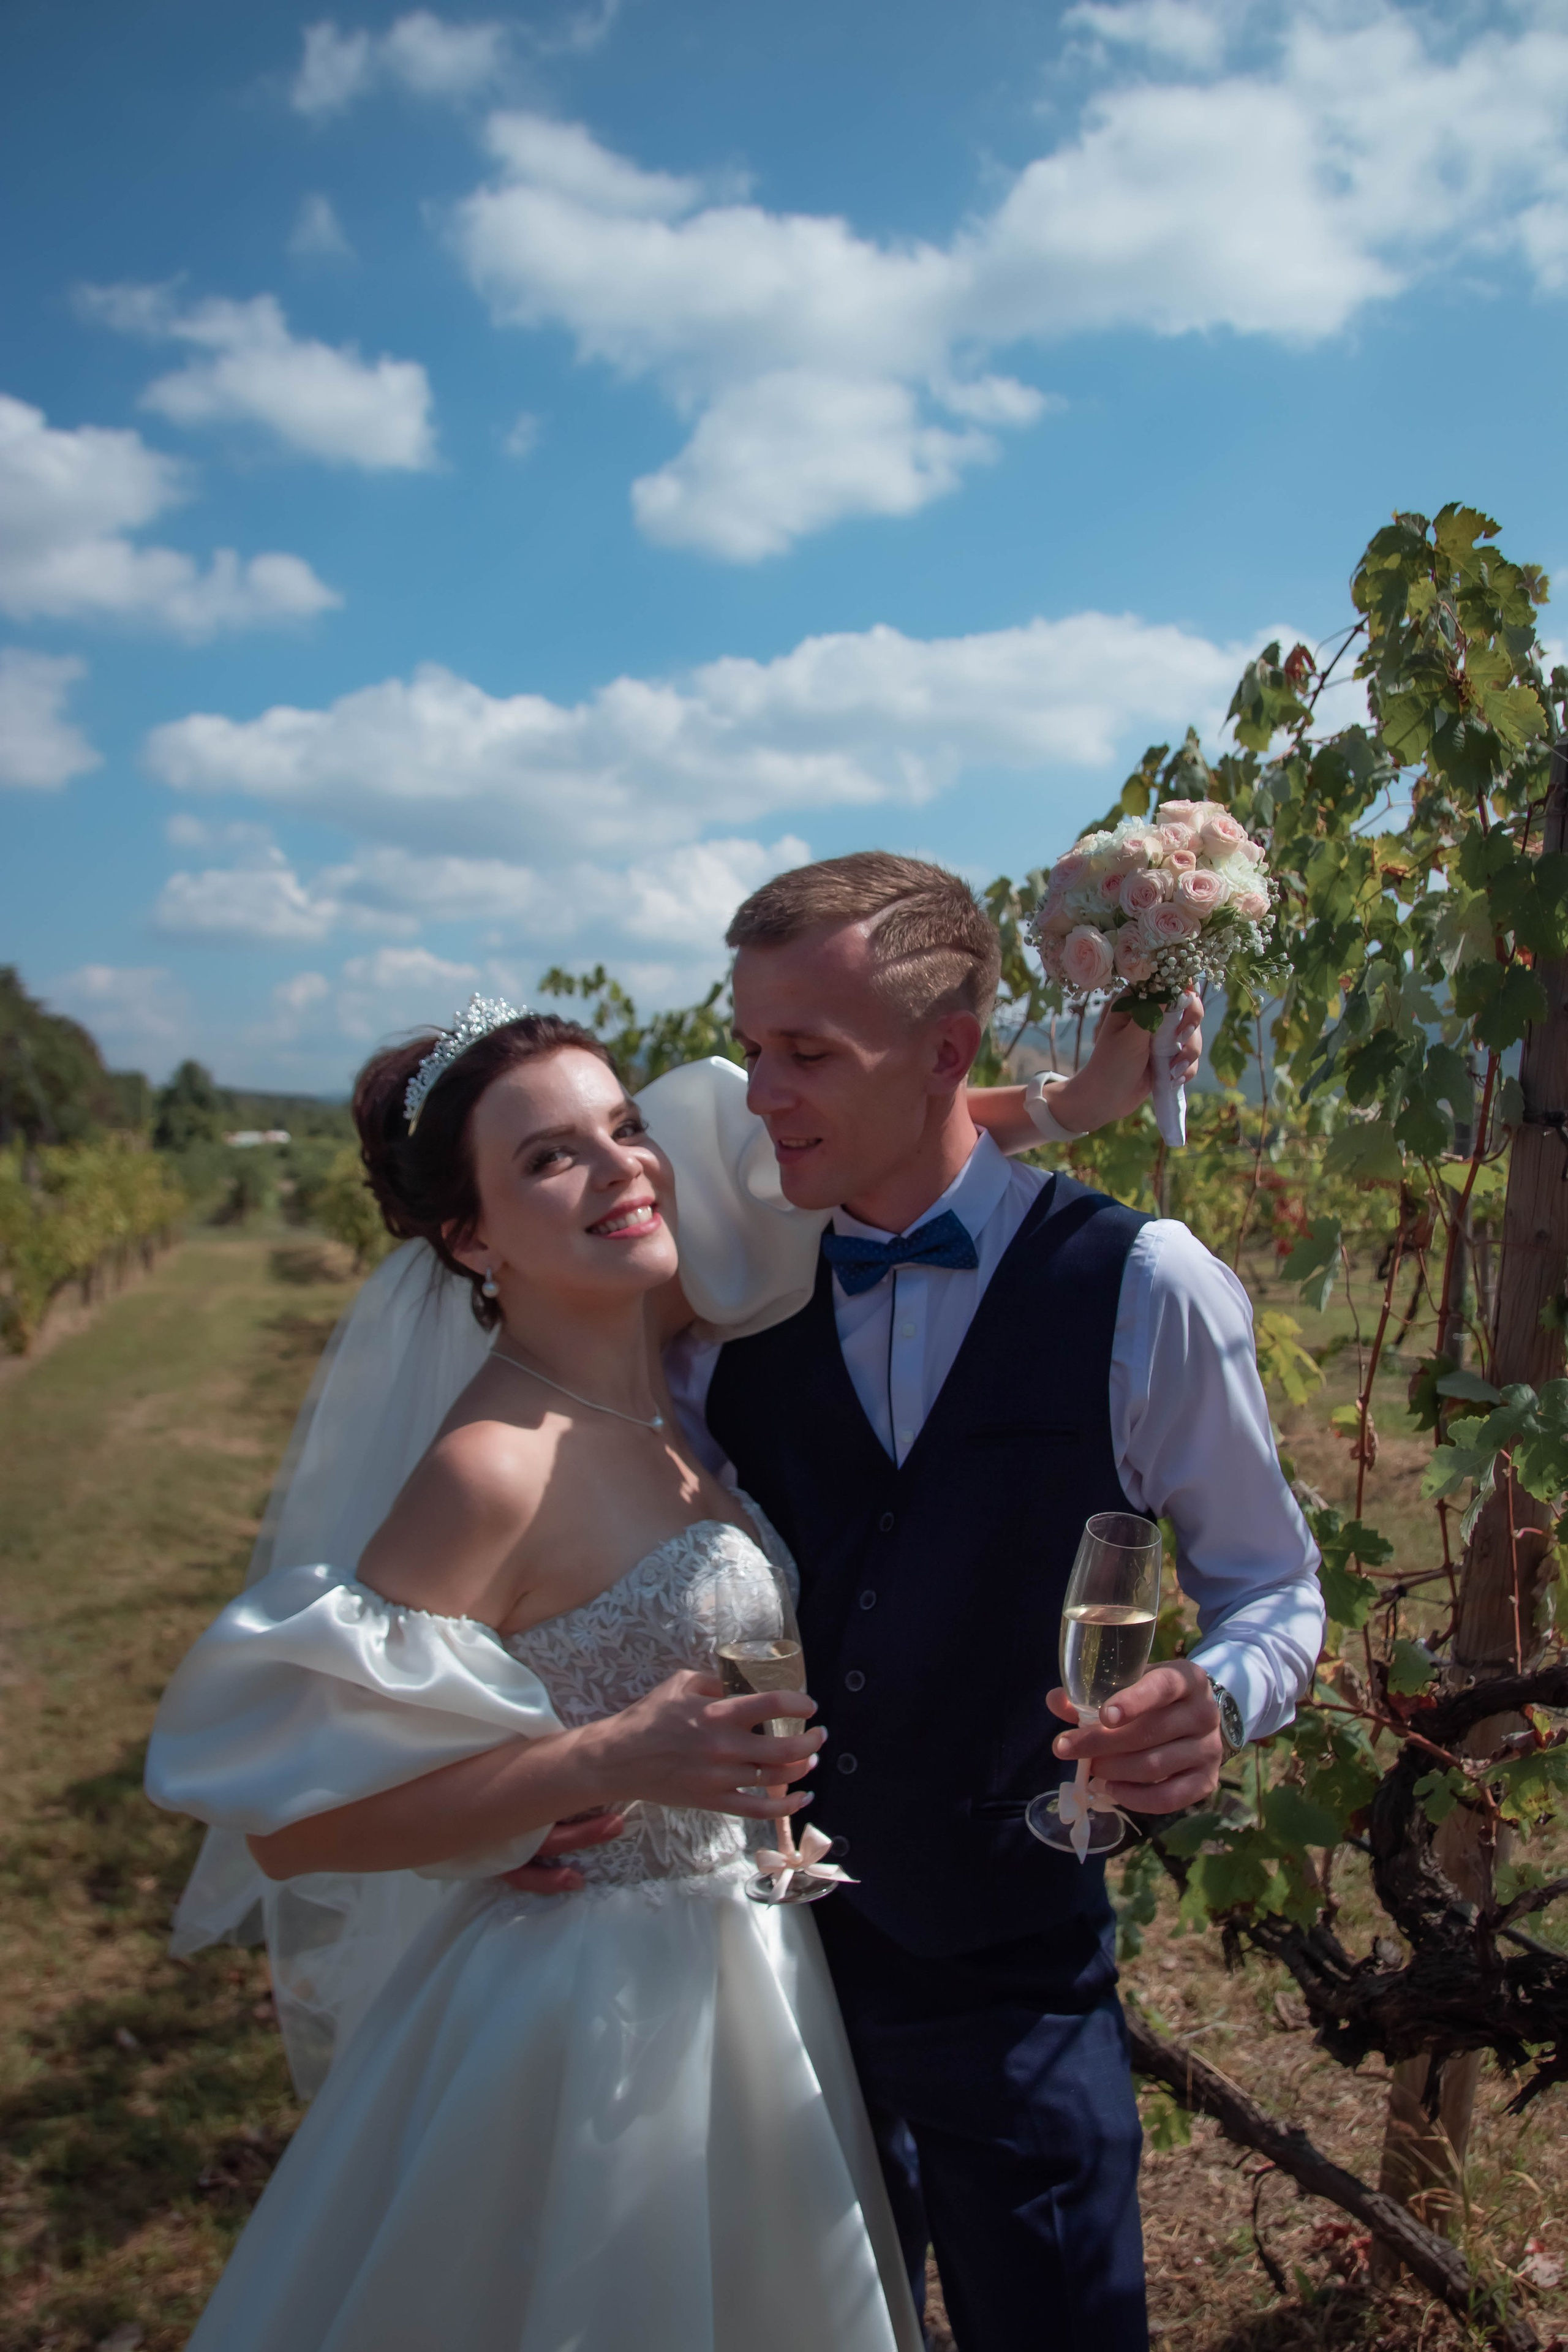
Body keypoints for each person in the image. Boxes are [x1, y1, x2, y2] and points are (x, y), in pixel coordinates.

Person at [144, 987, 1195, 2351]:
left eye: (622, 1126)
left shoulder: (674, 1368)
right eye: (547, 1158)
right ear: (467, 1236)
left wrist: (1059, 1107)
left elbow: (828, 1150)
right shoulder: (491, 1466)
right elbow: (291, 1826)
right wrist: (589, 1764)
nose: (624, 1168)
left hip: (755, 1973)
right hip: (596, 2022)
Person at [601, 851, 1323, 2352]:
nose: (757, 1093)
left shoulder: (1143, 1288)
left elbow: (1273, 1587)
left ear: (947, 1051)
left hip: (1011, 1971)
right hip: (760, 1976)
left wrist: (1220, 1700)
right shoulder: (716, 1313)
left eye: (806, 1053)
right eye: (750, 1046)